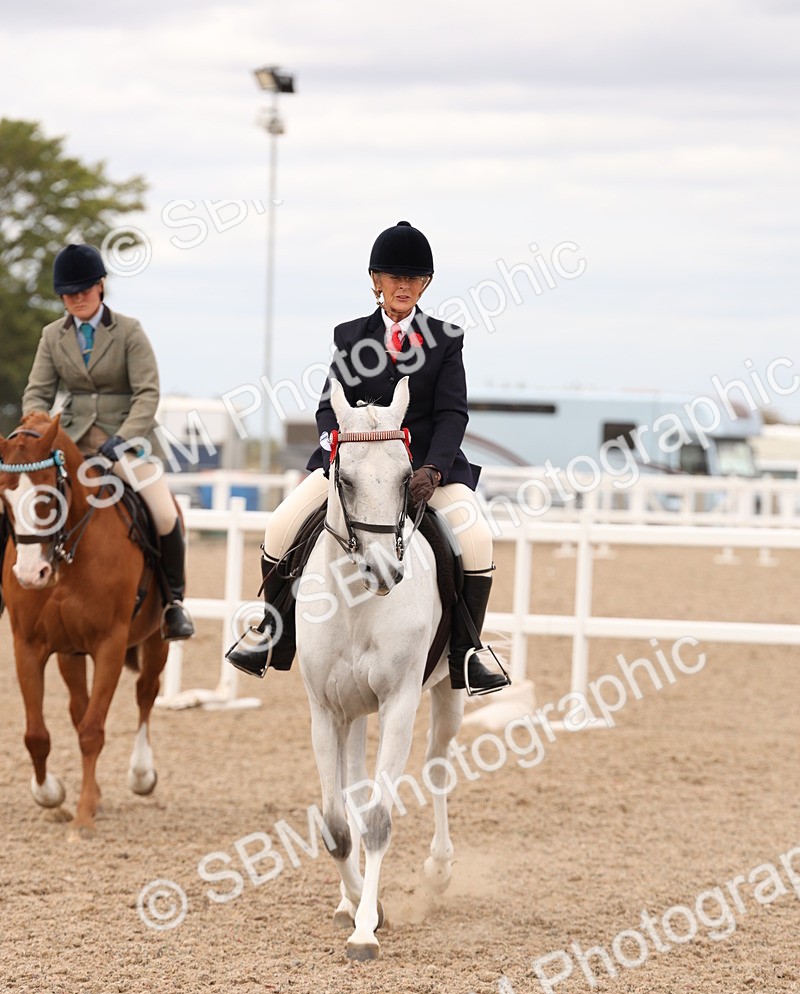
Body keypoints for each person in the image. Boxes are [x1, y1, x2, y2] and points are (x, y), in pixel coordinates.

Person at [227, 220, 510, 694]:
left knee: (478, 539)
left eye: (414, 278)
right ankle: (275, 635)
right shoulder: (350, 337)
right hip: (356, 467)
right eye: (394, 277)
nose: (404, 286)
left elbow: (452, 414)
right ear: (376, 280)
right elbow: (327, 407)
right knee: (280, 527)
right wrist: (334, 453)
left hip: (427, 471)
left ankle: (467, 652)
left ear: (426, 284)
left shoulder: (445, 339)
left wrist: (434, 468)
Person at [15, 243, 194, 640]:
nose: (76, 299)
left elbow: (147, 393)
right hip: (71, 444)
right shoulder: (52, 336)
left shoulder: (129, 331)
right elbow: (37, 393)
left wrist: (124, 437)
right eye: (68, 294)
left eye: (83, 291)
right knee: (16, 501)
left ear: (100, 286)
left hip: (127, 443)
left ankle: (173, 604)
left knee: (164, 514)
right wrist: (36, 430)